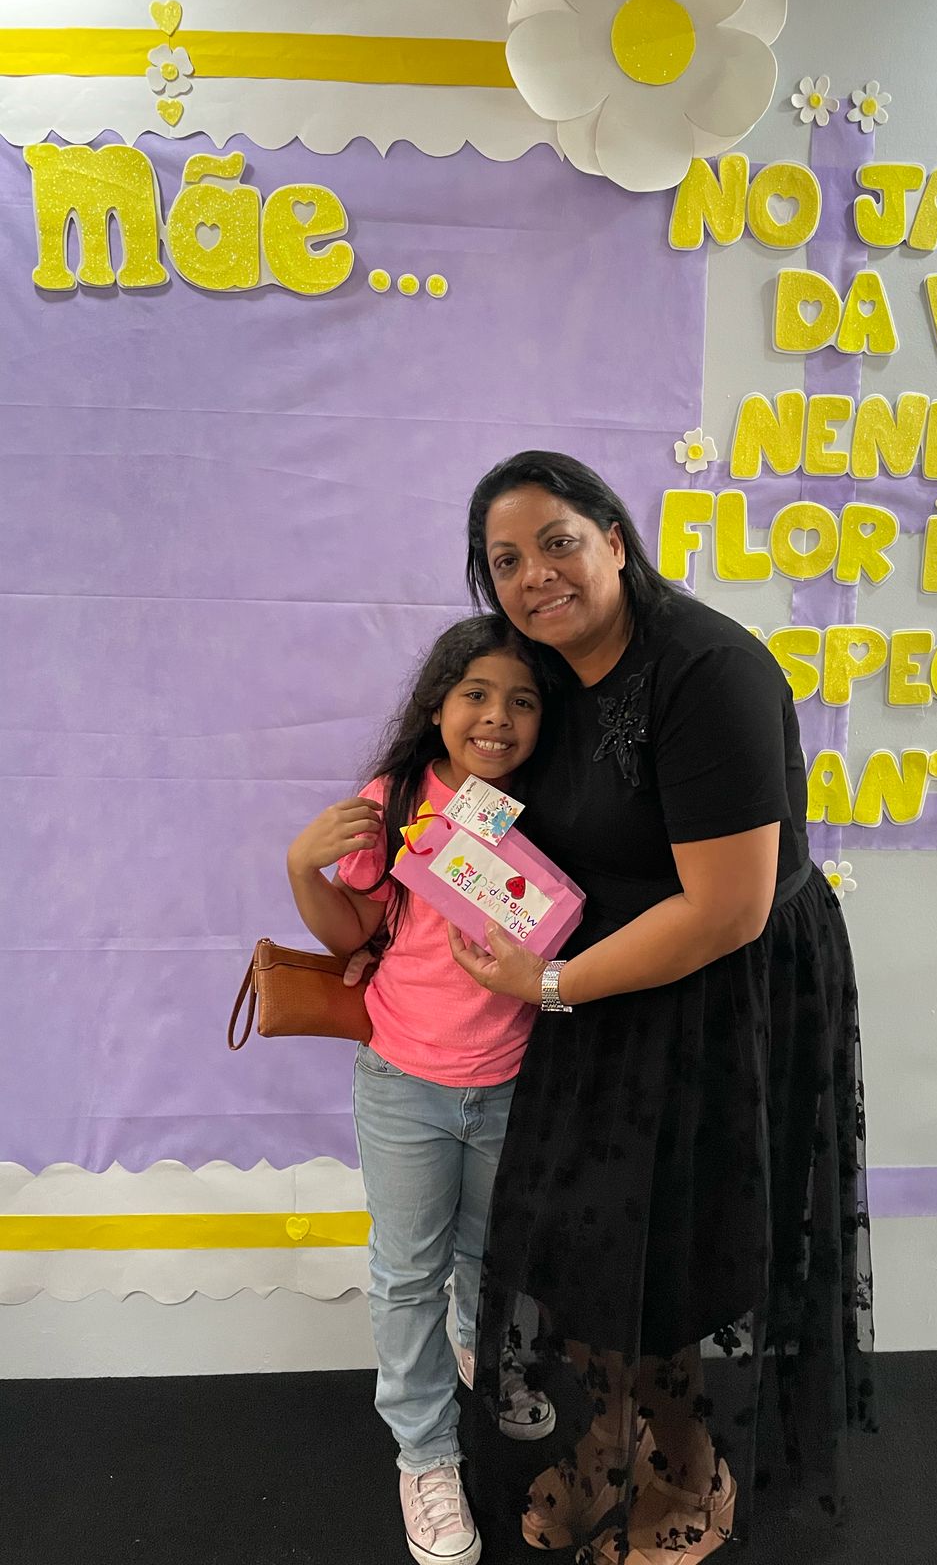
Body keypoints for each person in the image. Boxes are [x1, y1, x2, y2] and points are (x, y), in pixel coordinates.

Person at [448, 453, 875, 1565]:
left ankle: (687, 1469)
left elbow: (728, 909)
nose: (535, 575)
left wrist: (551, 984)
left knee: (675, 1249)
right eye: (506, 560)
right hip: (601, 987)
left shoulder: (707, 670)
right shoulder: (543, 673)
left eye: (556, 542)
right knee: (590, 1245)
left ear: (614, 538)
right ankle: (614, 1441)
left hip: (719, 994)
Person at [286, 615, 557, 1565]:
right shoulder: (399, 800)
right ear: (437, 706)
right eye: (476, 694)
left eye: (523, 701)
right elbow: (348, 931)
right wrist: (301, 864)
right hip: (405, 1082)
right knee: (408, 1274)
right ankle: (426, 1456)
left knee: (494, 1256)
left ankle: (486, 1361)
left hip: (514, 1081)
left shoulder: (550, 804)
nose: (497, 718)